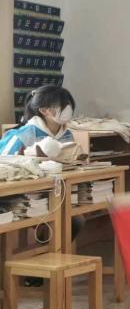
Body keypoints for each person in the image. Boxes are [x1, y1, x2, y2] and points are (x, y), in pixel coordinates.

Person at [0, 85, 86, 286]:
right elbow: (5, 163)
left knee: (76, 221)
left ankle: (39, 270)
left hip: (52, 195)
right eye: (61, 105)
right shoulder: (25, 133)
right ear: (44, 110)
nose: (67, 109)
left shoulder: (66, 134)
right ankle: (28, 272)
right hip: (22, 197)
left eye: (68, 105)